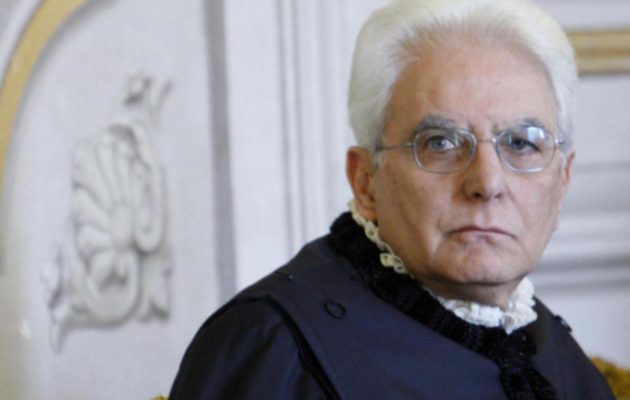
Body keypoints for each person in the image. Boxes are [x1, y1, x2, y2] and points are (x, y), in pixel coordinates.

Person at [170, 0, 615, 398]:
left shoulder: (541, 346)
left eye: (521, 143)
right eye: (440, 143)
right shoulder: (272, 347)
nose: (487, 182)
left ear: (562, 182)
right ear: (366, 182)